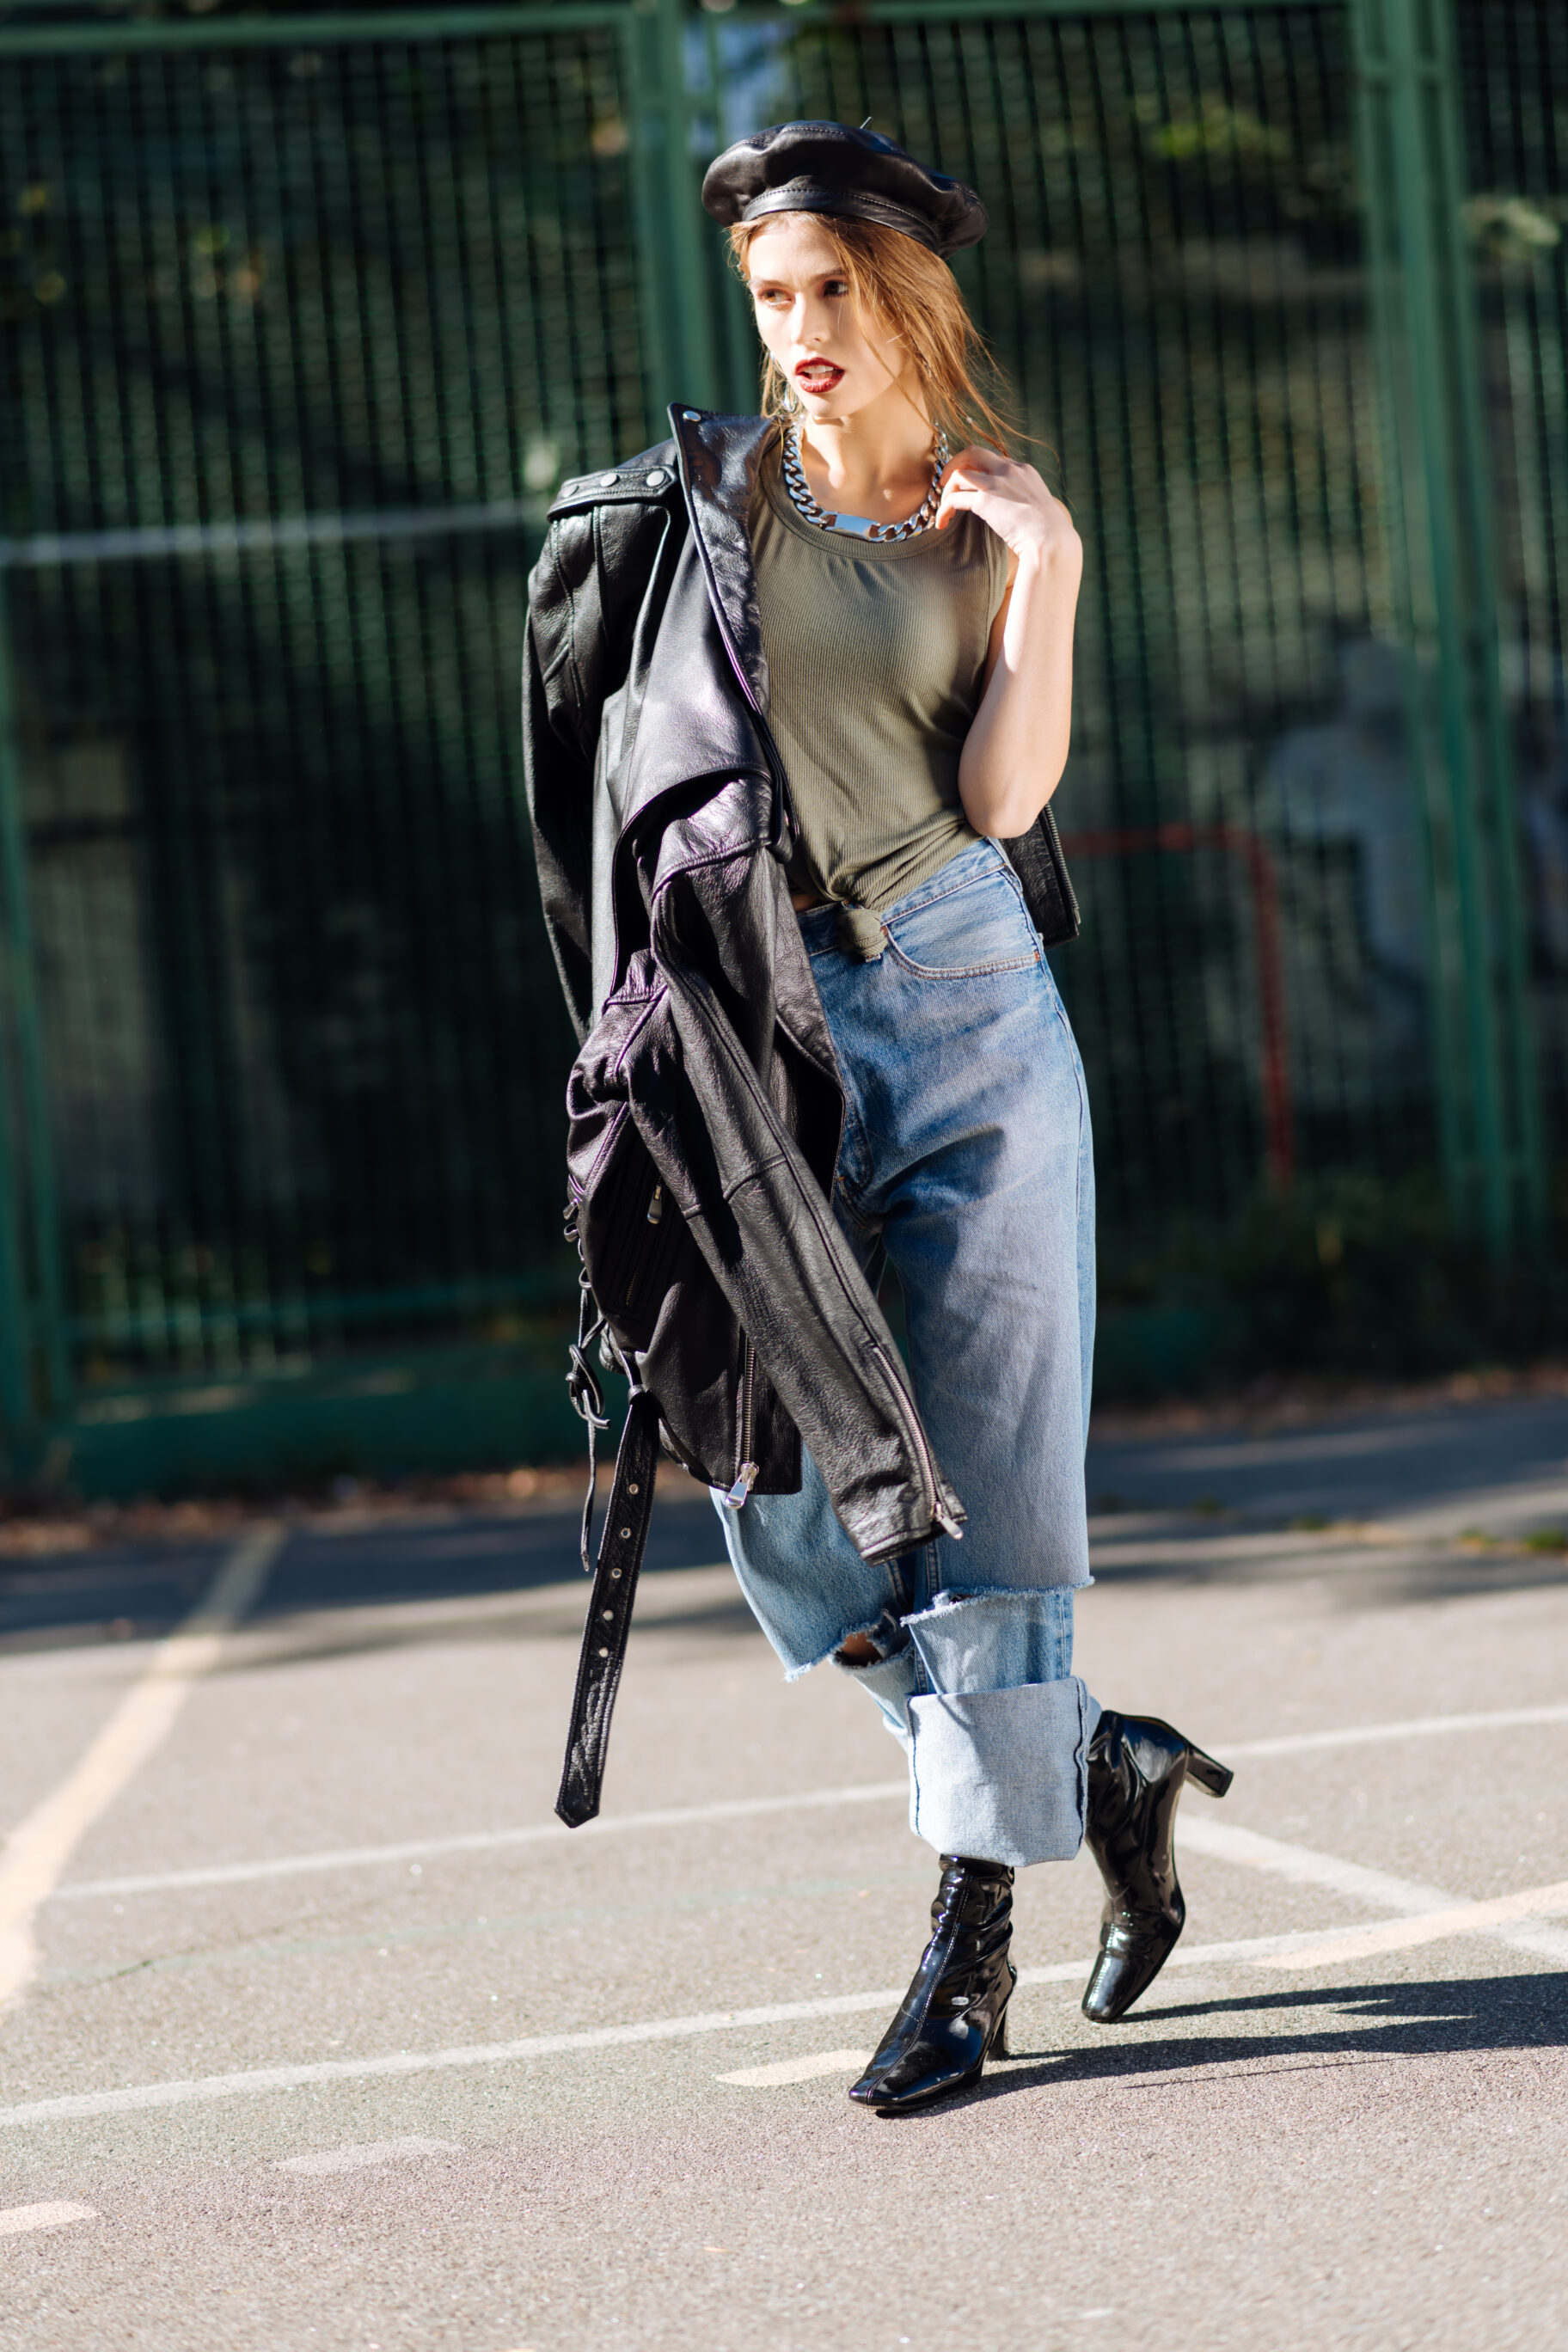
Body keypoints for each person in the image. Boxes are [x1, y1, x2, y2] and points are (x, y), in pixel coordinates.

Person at [523, 120, 1230, 2116]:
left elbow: (1004, 802)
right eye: (772, 298)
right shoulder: (701, 508)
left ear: (908, 295)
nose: (799, 334)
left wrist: (1053, 569)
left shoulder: (987, 519)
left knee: (991, 1514)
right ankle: (1092, 1765)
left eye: (832, 292)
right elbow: (610, 808)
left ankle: (967, 1949)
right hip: (753, 1040)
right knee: (777, 1502)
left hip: (970, 1000)